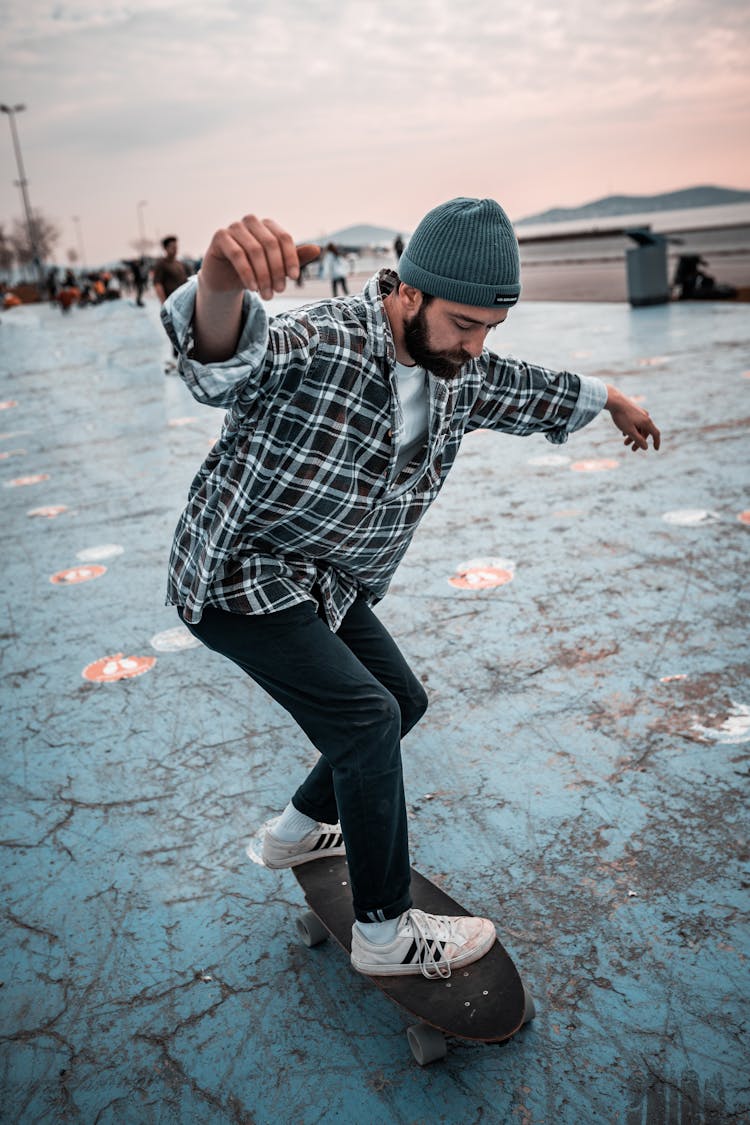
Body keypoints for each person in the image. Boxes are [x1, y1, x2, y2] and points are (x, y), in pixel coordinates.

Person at [160, 198, 660, 981]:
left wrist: (612, 399)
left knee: (403, 701)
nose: (476, 345)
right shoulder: (327, 339)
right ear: (407, 292)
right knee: (367, 720)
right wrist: (218, 279)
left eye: (491, 328)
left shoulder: (455, 369)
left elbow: (528, 390)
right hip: (238, 575)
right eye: (465, 323)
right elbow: (225, 359)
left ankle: (298, 827)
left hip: (317, 578)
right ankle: (385, 932)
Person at [154, 235, 190, 370]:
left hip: (184, 303)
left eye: (176, 246)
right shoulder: (161, 265)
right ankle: (177, 361)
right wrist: (164, 304)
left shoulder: (179, 264)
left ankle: (185, 360)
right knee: (176, 333)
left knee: (186, 331)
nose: (175, 249)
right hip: (172, 305)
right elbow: (157, 285)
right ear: (165, 248)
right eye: (172, 247)